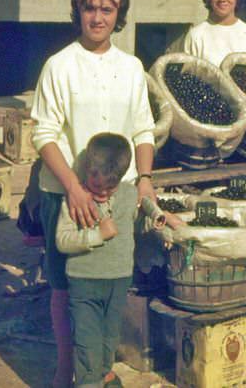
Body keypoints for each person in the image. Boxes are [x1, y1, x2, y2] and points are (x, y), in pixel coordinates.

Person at [31, 0, 157, 387]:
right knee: (66, 284)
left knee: (110, 282)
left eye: (108, 9)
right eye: (90, 7)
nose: (98, 17)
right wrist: (73, 188)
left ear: (119, 16)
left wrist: (144, 179)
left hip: (117, 194)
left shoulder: (132, 67)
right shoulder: (59, 65)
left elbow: (143, 129)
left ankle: (99, 371)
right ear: (78, 11)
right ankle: (66, 373)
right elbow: (44, 134)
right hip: (65, 191)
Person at [56, 133, 182, 387]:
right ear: (87, 169)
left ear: (122, 177)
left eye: (109, 188)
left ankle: (103, 374)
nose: (101, 192)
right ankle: (88, 381)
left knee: (110, 338)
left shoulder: (127, 194)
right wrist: (96, 235)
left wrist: (164, 221)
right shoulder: (76, 197)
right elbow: (63, 240)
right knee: (87, 340)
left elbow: (137, 221)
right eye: (96, 184)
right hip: (85, 281)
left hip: (118, 279)